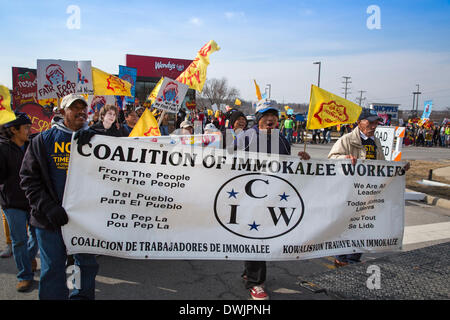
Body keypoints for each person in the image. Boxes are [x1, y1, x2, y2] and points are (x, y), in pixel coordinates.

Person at [20, 94, 99, 300]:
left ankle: (80, 296)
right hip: (49, 221)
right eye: (75, 108)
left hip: (84, 221)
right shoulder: (42, 141)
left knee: (84, 266)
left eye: (84, 108)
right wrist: (48, 208)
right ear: (62, 112)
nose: (81, 111)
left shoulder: (96, 141)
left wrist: (96, 138)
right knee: (54, 268)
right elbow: (28, 180)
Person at [234, 101, 310, 300]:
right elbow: (226, 160)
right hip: (248, 196)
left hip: (273, 197)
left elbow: (288, 169)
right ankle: (256, 282)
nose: (270, 119)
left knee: (264, 236)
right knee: (255, 235)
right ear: (259, 119)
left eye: (274, 115)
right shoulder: (245, 137)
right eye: (266, 115)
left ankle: (250, 273)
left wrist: (303, 161)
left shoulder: (283, 140)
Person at [328, 108, 409, 267]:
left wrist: (398, 168)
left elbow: (382, 165)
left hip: (369, 192)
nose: (373, 126)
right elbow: (331, 160)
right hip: (350, 191)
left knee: (363, 225)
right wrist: (344, 158)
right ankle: (341, 258)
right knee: (348, 225)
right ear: (359, 122)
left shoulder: (375, 141)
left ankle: (353, 259)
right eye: (370, 122)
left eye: (375, 123)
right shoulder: (347, 140)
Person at [0, 112, 39, 292]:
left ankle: (28, 257)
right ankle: (24, 275)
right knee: (19, 241)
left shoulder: (33, 145)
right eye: (25, 128)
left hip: (33, 201)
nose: (29, 131)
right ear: (14, 130)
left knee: (38, 236)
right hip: (12, 202)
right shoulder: (2, 148)